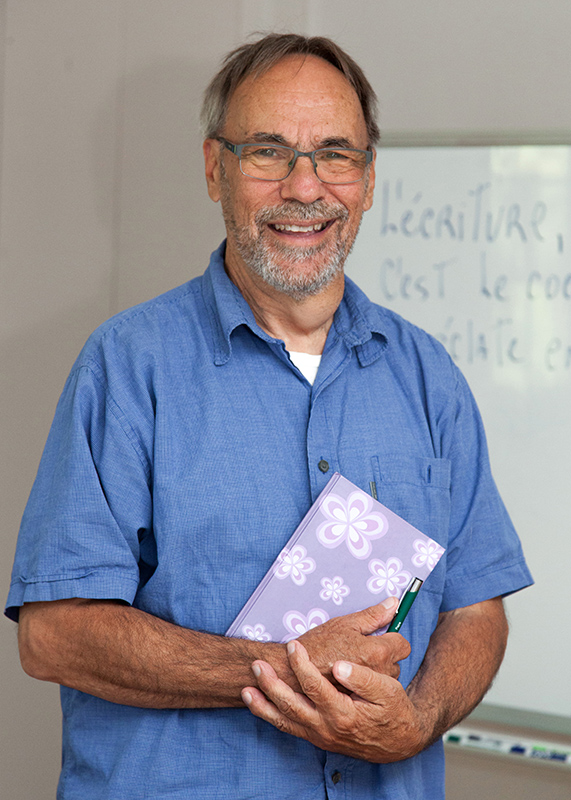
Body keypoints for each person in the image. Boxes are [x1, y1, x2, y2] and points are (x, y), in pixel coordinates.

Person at [6, 33, 532, 800]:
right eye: (268, 151)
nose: (304, 186)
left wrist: (416, 721)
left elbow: (476, 608)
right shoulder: (126, 367)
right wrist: (283, 663)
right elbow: (54, 637)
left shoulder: (429, 378)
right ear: (215, 168)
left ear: (369, 178)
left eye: (334, 154)